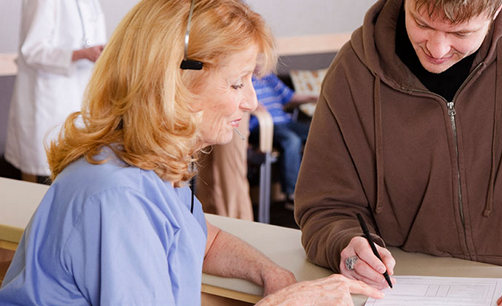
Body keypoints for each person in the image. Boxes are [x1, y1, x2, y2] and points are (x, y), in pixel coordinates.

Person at [0, 0, 383, 305]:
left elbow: (200, 240)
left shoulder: (151, 165)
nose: (250, 100)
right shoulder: (117, 197)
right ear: (175, 85)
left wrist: (270, 273)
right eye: (236, 83)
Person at [294, 0, 502, 304]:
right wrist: (345, 244)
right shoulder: (354, 70)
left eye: (460, 32)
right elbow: (326, 206)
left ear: (497, 8)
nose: (437, 49)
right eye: (423, 24)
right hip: (405, 292)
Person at [4, 0, 107, 184]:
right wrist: (80, 54)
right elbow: (32, 51)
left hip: (79, 100)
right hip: (47, 105)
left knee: (75, 171)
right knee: (44, 177)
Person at [250, 72, 317, 207]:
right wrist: (253, 105)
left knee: (319, 133)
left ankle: (321, 189)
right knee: (291, 140)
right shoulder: (247, 78)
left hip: (285, 121)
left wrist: (313, 97)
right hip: (264, 126)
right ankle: (292, 194)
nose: (260, 63)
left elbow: (290, 97)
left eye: (263, 59)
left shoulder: (269, 77)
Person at [196, 116, 254, 220]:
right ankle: (207, 228)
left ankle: (240, 231)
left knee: (231, 177)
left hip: (231, 108)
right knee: (206, 178)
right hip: (203, 106)